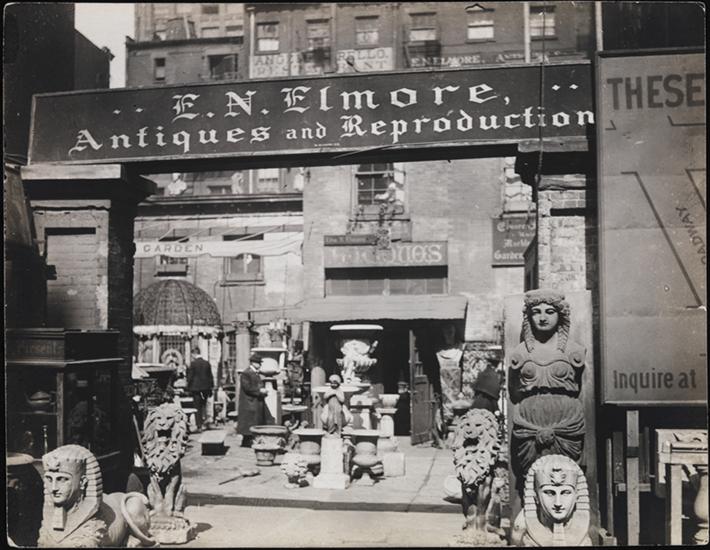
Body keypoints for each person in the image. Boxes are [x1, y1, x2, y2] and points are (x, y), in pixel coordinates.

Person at [238, 353, 268, 447]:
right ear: (253, 363)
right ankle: (247, 441)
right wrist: (260, 391)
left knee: (253, 422)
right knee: (249, 423)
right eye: (259, 363)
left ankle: (250, 440)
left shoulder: (255, 373)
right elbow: (247, 388)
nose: (260, 364)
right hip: (249, 402)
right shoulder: (246, 373)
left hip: (254, 401)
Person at [186, 346, 214, 433]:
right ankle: (206, 422)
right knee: (204, 405)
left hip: (196, 389)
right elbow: (210, 377)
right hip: (205, 389)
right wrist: (211, 388)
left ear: (194, 354)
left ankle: (199, 425)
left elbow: (190, 377)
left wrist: (188, 387)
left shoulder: (193, 364)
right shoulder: (207, 363)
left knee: (197, 407)